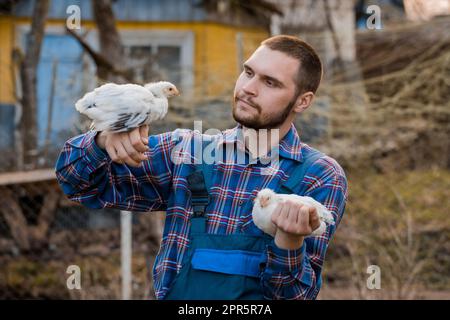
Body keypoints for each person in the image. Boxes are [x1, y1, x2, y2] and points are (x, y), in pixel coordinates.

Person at [55, 35, 348, 300]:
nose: (248, 89)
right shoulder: (186, 153)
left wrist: (289, 242)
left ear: (303, 101)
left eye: (269, 83)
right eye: (248, 73)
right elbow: (77, 183)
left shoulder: (319, 176)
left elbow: (294, 296)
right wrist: (103, 140)